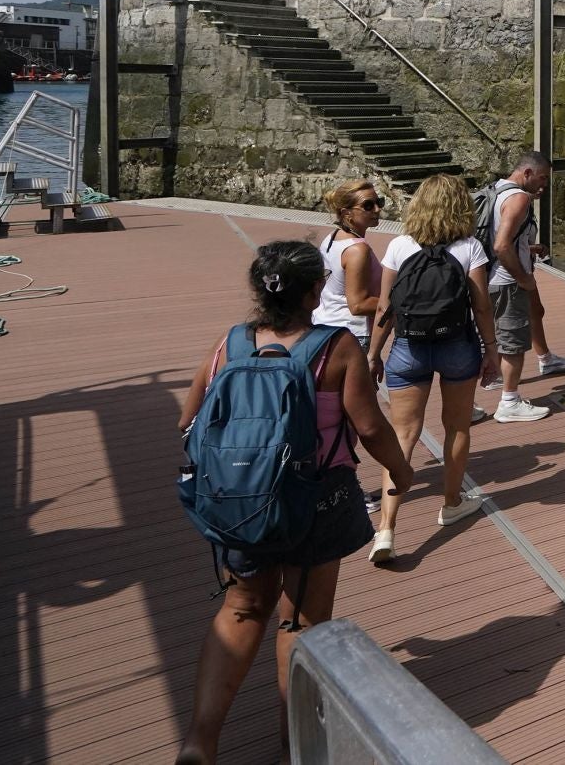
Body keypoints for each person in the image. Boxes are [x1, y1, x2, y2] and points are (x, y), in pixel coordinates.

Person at [174, 241, 415, 765]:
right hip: (317, 500)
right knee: (302, 621)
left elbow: (186, 420)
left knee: (241, 608)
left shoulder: (231, 344)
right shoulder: (335, 347)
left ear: (261, 290)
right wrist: (400, 470)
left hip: (241, 500)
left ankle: (199, 741)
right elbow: (369, 426)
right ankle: (295, 745)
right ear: (314, 291)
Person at [365, 174, 504, 563]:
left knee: (403, 436)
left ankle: (387, 530)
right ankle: (452, 503)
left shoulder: (398, 245)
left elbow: (384, 308)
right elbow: (480, 307)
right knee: (456, 427)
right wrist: (491, 351)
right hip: (456, 345)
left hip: (408, 347)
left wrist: (374, 354)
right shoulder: (470, 247)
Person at [483, 151, 565, 422]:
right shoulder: (519, 197)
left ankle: (492, 386)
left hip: (487, 277)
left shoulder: (496, 189)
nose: (543, 184)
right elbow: (501, 245)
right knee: (514, 343)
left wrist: (528, 248)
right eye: (542, 177)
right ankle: (509, 401)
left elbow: (497, 236)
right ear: (527, 173)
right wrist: (522, 277)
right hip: (507, 282)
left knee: (494, 335)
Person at [313, 178, 383, 354]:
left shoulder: (332, 237)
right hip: (351, 334)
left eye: (379, 202)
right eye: (368, 205)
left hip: (324, 325)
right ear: (346, 213)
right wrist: (400, 302)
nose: (377, 209)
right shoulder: (358, 250)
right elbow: (358, 305)